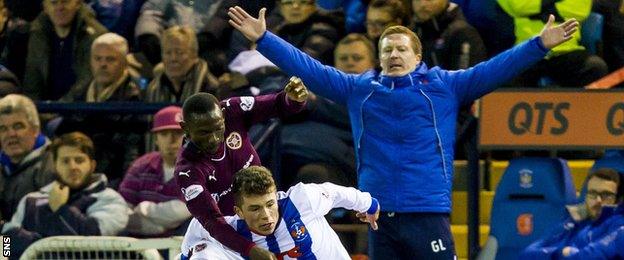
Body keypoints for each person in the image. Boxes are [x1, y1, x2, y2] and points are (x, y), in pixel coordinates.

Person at [228, 6, 579, 258]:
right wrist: (265, 39)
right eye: (387, 50)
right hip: (379, 213)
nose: (394, 55)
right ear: (379, 58)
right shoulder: (359, 89)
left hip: (427, 211)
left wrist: (539, 45)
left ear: (418, 55)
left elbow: (497, 69)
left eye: (400, 49)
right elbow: (310, 68)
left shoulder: (446, 85)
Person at [174, 77, 308, 259]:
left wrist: (293, 99)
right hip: (222, 238)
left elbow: (278, 104)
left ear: (222, 116)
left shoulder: (233, 109)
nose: (214, 139)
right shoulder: (187, 170)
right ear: (185, 128)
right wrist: (250, 250)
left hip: (260, 220)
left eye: (218, 129)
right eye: (203, 132)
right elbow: (212, 221)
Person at [180, 165, 380, 259]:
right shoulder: (224, 227)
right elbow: (193, 241)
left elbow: (337, 193)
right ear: (238, 211)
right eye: (255, 208)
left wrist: (370, 205)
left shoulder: (302, 200)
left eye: (270, 204)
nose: (266, 215)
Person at [1, 132, 130, 258]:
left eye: (79, 160)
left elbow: (92, 242)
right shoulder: (31, 200)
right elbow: (5, 248)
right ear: (55, 165)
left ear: (92, 165)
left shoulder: (110, 200)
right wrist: (5, 235)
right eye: (65, 161)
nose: (73, 166)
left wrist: (61, 209)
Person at [119, 106, 192, 236]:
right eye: (164, 134)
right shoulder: (141, 165)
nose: (171, 140)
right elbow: (121, 209)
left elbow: (183, 210)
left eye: (178, 133)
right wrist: (150, 227)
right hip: (140, 244)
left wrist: (144, 209)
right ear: (156, 139)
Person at [521, 168, 624, 258]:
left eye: (606, 195)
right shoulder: (573, 220)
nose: (598, 200)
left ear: (618, 200)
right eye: (592, 193)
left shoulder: (619, 226)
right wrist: (561, 252)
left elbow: (587, 257)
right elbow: (528, 253)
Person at [23, 0, 107, 101]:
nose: (60, 8)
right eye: (54, 3)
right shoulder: (37, 32)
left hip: (80, 110)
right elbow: (32, 79)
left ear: (78, 4)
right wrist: (34, 109)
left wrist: (57, 109)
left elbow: (87, 81)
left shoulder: (94, 36)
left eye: (65, 2)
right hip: (44, 110)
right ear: (45, 8)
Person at [0, 94, 55, 225]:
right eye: (3, 129)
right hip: (6, 239)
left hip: (35, 242)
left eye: (18, 126)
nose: (11, 134)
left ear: (35, 130)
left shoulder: (53, 164)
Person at [146, 26, 220, 102]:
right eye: (168, 53)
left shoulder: (210, 86)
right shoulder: (153, 88)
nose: (173, 59)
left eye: (179, 52)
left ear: (194, 55)